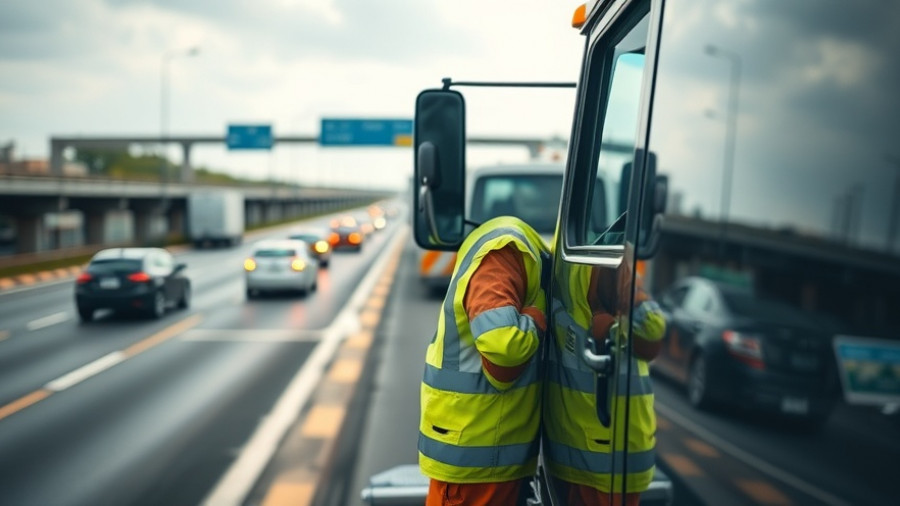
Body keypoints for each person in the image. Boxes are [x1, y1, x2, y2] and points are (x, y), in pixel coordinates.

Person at [418, 215, 550, 506]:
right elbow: (504, 347)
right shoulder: (505, 252)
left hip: (486, 454)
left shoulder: (515, 249)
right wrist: (536, 317)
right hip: (476, 463)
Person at [543, 244, 666, 506]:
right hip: (611, 460)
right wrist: (630, 286)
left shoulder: (559, 310)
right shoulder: (614, 325)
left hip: (581, 457)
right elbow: (653, 328)